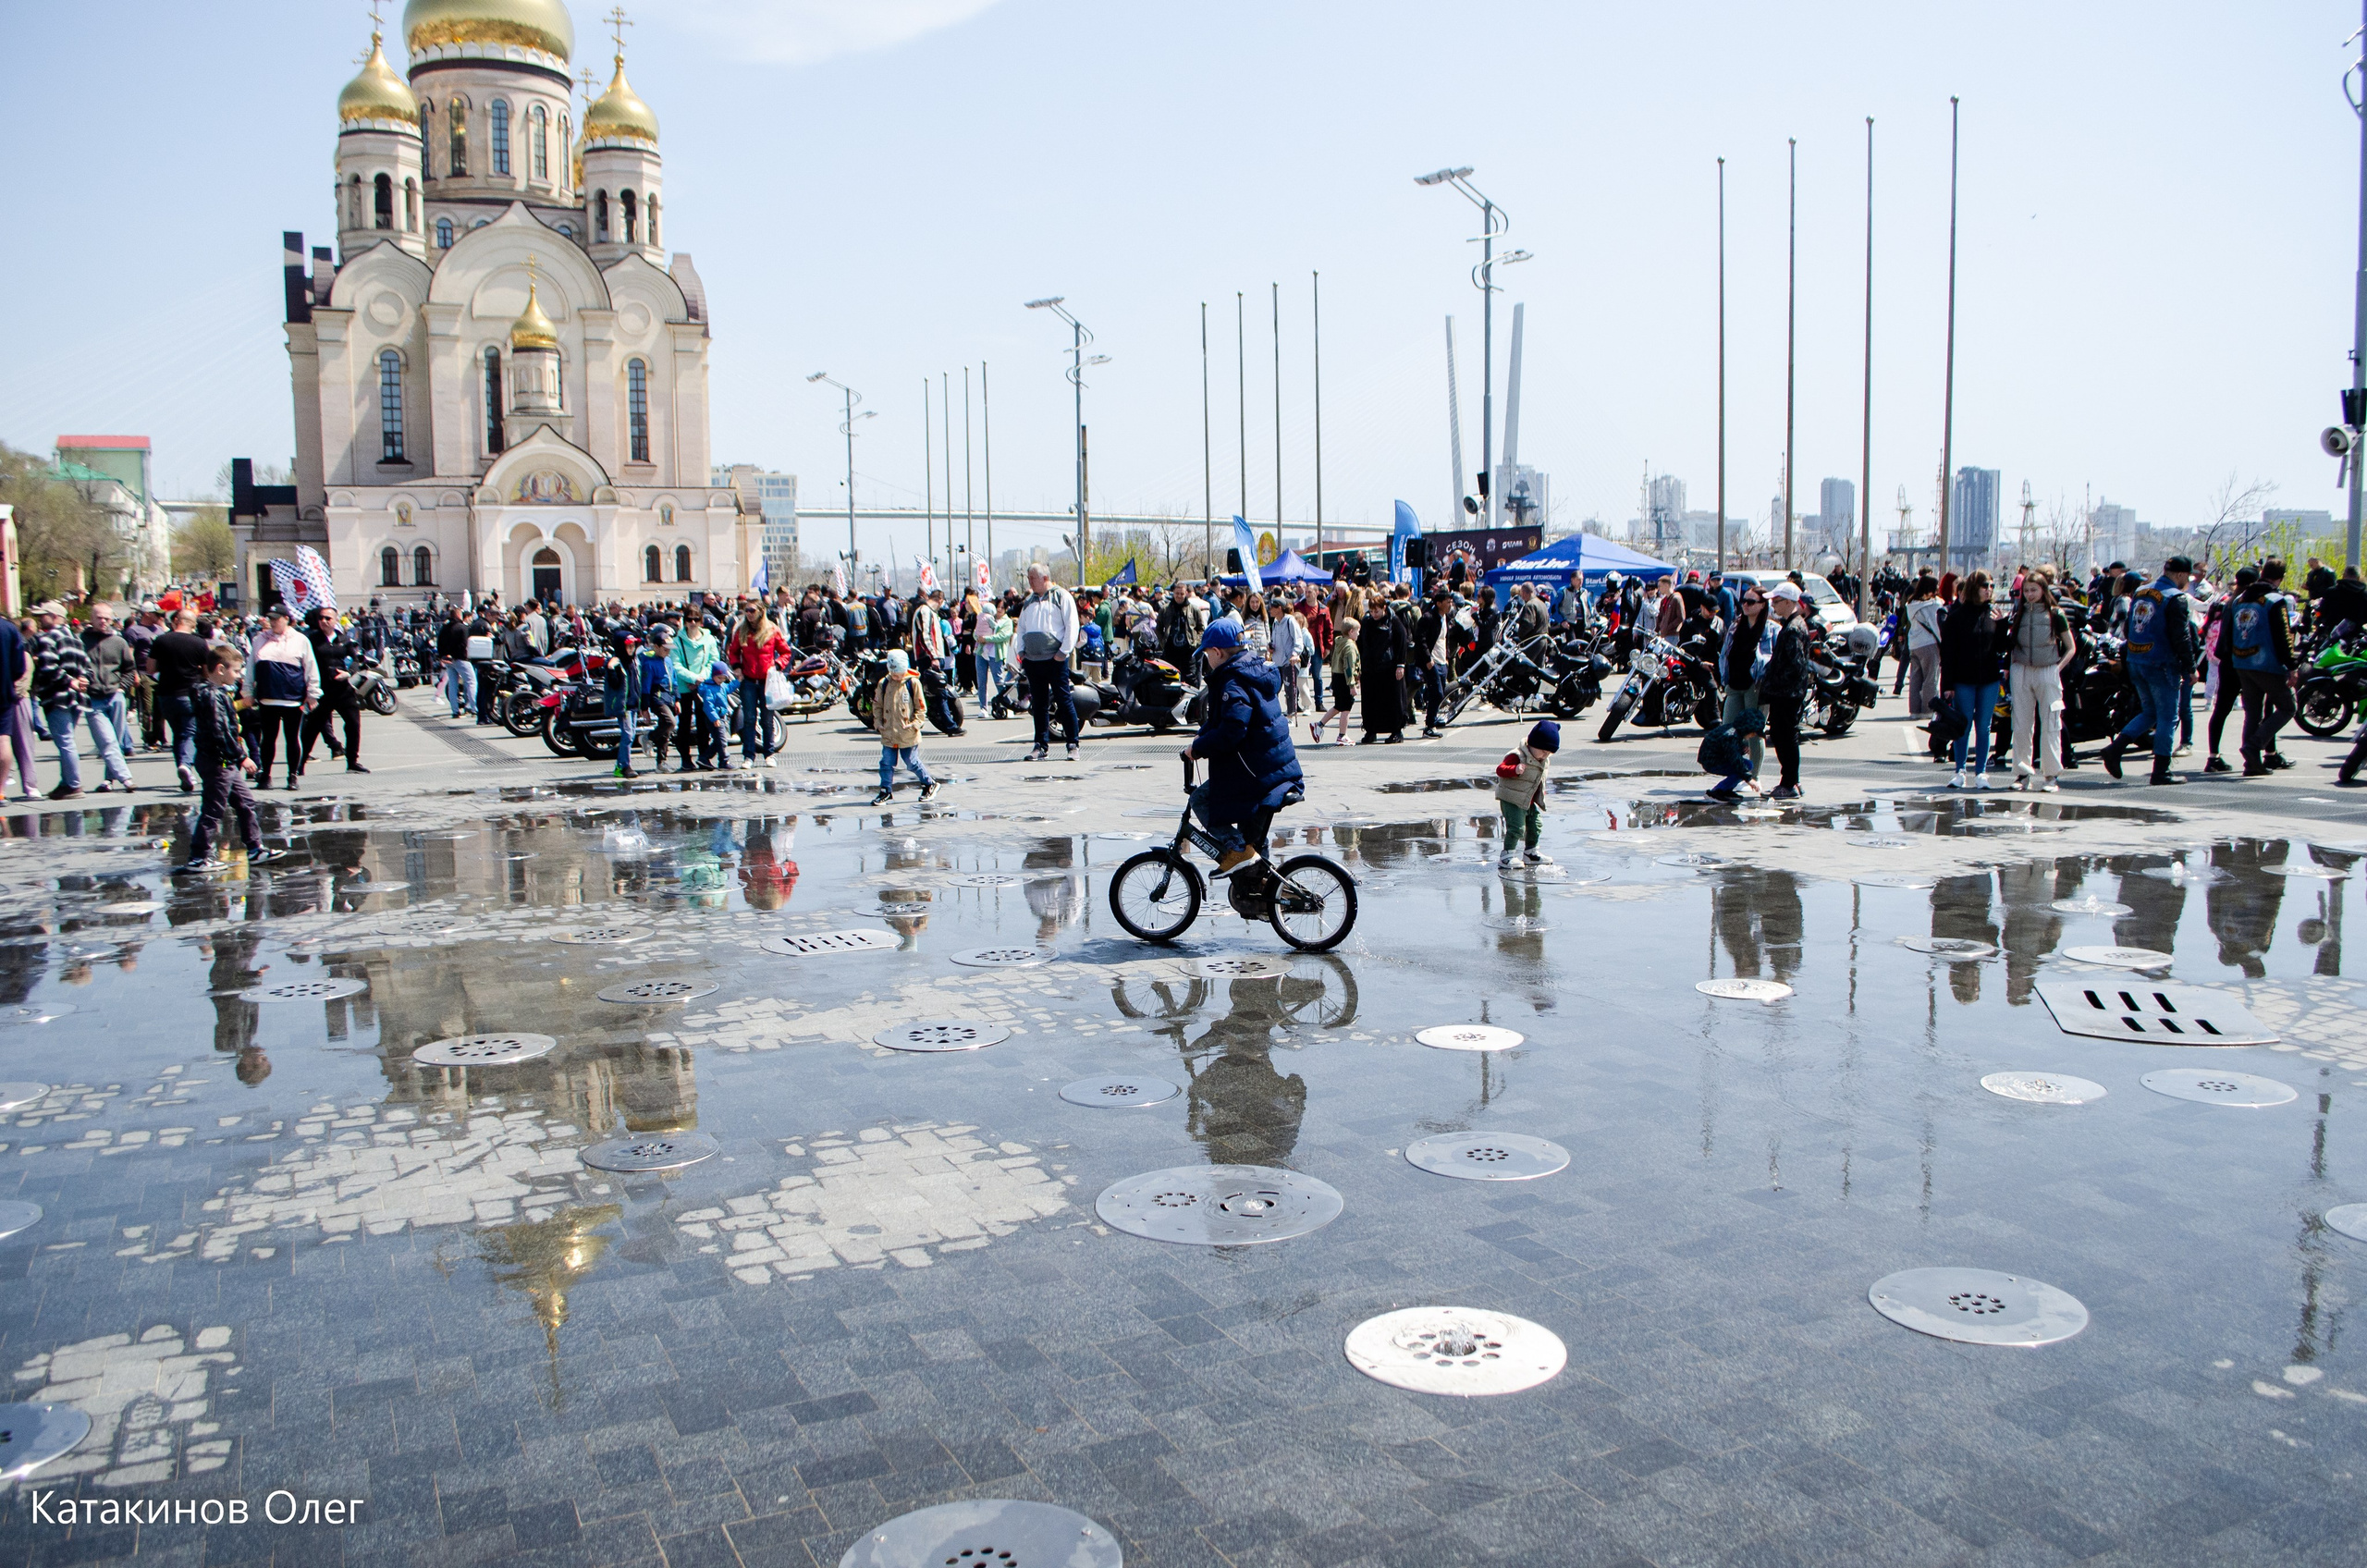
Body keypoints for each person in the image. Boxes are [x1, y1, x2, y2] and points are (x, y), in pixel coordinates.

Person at [1180, 619, 1302, 876]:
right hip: (1271, 767)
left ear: (1217, 652)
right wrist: (1201, 739)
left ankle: (1236, 849)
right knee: (1253, 838)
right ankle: (1263, 887)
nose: (1206, 660)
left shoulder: (1233, 682)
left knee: (1200, 799)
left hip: (1258, 773)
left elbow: (1232, 731)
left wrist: (1198, 748)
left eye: (1206, 654)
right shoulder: (1251, 671)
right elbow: (1225, 721)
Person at [2100, 556, 2197, 786]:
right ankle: (2161, 770)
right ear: (2182, 575)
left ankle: (2116, 748)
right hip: (2162, 663)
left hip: (2137, 659)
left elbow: (2129, 627)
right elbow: (2181, 636)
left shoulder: (2142, 592)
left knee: (2150, 712)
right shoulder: (2176, 597)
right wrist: (2190, 668)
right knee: (2167, 717)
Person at [178, 646, 276, 872]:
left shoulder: (214, 692)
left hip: (223, 761)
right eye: (236, 670)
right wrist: (242, 757)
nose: (239, 675)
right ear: (220, 669)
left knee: (245, 802)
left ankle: (255, 848)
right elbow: (219, 731)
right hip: (219, 761)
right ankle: (198, 857)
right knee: (213, 810)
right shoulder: (212, 695)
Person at [31, 600, 130, 798]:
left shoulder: (48, 639)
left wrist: (71, 681)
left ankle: (73, 784)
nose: (40, 619)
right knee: (69, 740)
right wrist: (83, 680)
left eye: (44, 615)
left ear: (56, 617)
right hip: (77, 699)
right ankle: (68, 780)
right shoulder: (75, 639)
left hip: (57, 696)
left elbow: (48, 667)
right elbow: (87, 667)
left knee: (66, 741)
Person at [2228, 557, 2300, 777]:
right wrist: (2292, 665)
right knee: (2288, 707)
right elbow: (2283, 636)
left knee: (2252, 713)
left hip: (2241, 661)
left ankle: (2252, 764)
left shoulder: (2240, 599)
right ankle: (2254, 746)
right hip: (2266, 663)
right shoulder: (2275, 600)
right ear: (2280, 578)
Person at [2004, 570, 2075, 791]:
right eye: (2026, 590)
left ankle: (2051, 775)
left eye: (2034, 590)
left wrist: (2057, 668)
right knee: (2021, 724)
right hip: (2021, 670)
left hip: (2047, 671)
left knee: (2051, 724)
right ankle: (2022, 774)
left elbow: (2071, 647)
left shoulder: (2056, 614)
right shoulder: (2018, 614)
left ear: (2043, 590)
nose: (2029, 594)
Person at [242, 603, 321, 790]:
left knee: (292, 738)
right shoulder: (260, 639)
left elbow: (310, 667)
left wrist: (313, 693)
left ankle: (292, 775)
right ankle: (266, 775)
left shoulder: (300, 640)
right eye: (270, 618)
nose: (273, 622)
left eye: (276, 619)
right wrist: (247, 692)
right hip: (267, 696)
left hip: (292, 698)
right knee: (268, 739)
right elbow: (251, 668)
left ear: (287, 619)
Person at [1939, 570, 2005, 789]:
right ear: (1974, 588)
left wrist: (2003, 624)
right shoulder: (1956, 616)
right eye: (1985, 586)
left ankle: (1982, 772)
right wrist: (1947, 685)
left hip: (1989, 678)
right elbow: (1947, 653)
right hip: (1963, 679)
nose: (1989, 590)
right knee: (1963, 725)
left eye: (1992, 586)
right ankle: (1960, 770)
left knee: (1984, 726)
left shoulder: (1993, 614)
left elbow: (2003, 647)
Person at [1710, 584, 1772, 801]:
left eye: (1751, 602)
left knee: (1754, 733)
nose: (1745, 605)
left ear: (1763, 605)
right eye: (1743, 601)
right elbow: (1725, 654)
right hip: (1734, 684)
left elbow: (1770, 659)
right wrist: (1723, 679)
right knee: (1728, 730)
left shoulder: (1769, 629)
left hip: (1755, 685)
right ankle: (1739, 774)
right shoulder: (1736, 626)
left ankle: (1754, 777)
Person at [1016, 564, 1082, 761]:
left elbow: (1072, 624)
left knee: (1063, 700)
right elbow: (1021, 628)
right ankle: (1040, 745)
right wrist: (1021, 652)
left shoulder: (1061, 596)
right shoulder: (1029, 601)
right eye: (1028, 578)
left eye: (1032, 578)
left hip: (1055, 660)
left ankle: (1073, 745)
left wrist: (1063, 652)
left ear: (1045, 577)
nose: (1029, 581)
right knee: (1039, 705)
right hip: (1033, 661)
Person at [1757, 582, 1813, 801]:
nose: (1773, 605)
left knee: (1784, 736)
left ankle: (1789, 782)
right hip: (1787, 691)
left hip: (1787, 693)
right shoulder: (1792, 625)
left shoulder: (1793, 629)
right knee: (1784, 736)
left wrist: (1775, 683)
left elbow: (1795, 665)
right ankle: (1792, 780)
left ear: (1789, 602)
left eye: (1776, 601)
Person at [299, 607, 368, 774]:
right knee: (312, 728)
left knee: (353, 724)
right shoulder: (311, 639)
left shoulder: (344, 639)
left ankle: (352, 761)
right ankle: (299, 764)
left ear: (336, 620)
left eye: (328, 618)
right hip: (322, 691)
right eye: (321, 618)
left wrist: (349, 673)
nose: (324, 621)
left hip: (343, 690)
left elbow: (356, 660)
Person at [724, 599, 791, 767]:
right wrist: (737, 667)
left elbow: (785, 652)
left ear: (761, 611)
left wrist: (777, 665)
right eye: (746, 611)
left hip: (767, 682)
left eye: (752, 610)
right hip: (748, 680)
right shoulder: (742, 631)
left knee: (767, 720)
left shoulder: (772, 629)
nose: (749, 614)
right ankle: (749, 756)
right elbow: (733, 652)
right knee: (749, 719)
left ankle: (769, 754)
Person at [868, 649, 939, 805]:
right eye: (894, 674)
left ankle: (929, 783)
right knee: (886, 762)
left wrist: (915, 724)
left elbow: (921, 708)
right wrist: (878, 723)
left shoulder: (912, 682)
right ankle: (885, 790)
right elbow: (877, 705)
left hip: (908, 731)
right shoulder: (884, 683)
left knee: (911, 761)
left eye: (899, 673)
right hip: (888, 731)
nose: (896, 677)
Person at [1494, 720, 1558, 869]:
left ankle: (1531, 852)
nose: (1545, 755)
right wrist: (1514, 769)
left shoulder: (1543, 760)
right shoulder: (1518, 756)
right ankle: (1507, 855)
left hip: (1528, 799)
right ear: (1532, 743)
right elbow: (1500, 769)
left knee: (1536, 825)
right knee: (1517, 828)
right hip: (1511, 798)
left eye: (1549, 753)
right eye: (1543, 751)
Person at [82, 606, 139, 771]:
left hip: (115, 695)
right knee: (107, 740)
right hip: (93, 697)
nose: (103, 621)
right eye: (99, 618)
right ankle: (123, 777)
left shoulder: (119, 642)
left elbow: (129, 669)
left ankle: (110, 779)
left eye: (107, 618)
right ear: (92, 618)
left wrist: (122, 688)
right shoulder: (81, 641)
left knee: (117, 740)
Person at [668, 609, 721, 771]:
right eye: (689, 619)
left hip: (703, 686)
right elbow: (675, 665)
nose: (692, 623)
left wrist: (701, 678)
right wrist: (693, 678)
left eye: (696, 619)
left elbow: (714, 660)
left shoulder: (709, 639)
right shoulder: (677, 641)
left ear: (701, 621)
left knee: (703, 723)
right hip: (684, 687)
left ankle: (704, 757)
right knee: (684, 724)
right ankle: (685, 759)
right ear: (684, 621)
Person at [1356, 589, 1410, 743]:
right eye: (1372, 611)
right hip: (1370, 668)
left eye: (1377, 611)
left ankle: (1396, 730)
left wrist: (1401, 665)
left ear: (1384, 608)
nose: (1374, 614)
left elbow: (1401, 643)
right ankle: (1370, 730)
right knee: (1370, 701)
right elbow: (1361, 644)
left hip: (1389, 667)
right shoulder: (1366, 622)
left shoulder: (1394, 621)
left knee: (1392, 700)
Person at [1314, 614, 1358, 745]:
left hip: (1336, 677)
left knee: (1338, 705)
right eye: (1357, 631)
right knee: (1346, 707)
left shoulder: (1339, 641)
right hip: (1345, 679)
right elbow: (1349, 666)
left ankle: (1319, 724)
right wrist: (1352, 684)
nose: (1358, 634)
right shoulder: (1350, 646)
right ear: (1351, 632)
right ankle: (1342, 735)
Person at [1904, 577, 1945, 716]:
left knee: (1915, 679)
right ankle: (1928, 710)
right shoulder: (1932, 606)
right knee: (1930, 678)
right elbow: (1936, 627)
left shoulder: (1911, 604)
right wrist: (1943, 644)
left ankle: (1914, 711)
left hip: (1914, 644)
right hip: (1929, 644)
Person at [693, 661, 733, 769]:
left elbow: (729, 688)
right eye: (719, 678)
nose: (721, 681)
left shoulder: (722, 686)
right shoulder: (709, 689)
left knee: (719, 740)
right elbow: (708, 706)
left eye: (724, 678)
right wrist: (714, 718)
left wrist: (738, 681)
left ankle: (704, 758)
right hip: (715, 718)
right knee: (722, 740)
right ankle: (724, 761)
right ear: (714, 676)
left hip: (721, 716)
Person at [435, 606, 474, 718]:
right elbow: (464, 644)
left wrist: (443, 655)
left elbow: (439, 643)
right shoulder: (462, 627)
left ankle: (455, 711)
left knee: (453, 684)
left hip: (448, 660)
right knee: (471, 682)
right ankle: (473, 708)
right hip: (460, 658)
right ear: (458, 615)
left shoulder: (444, 628)